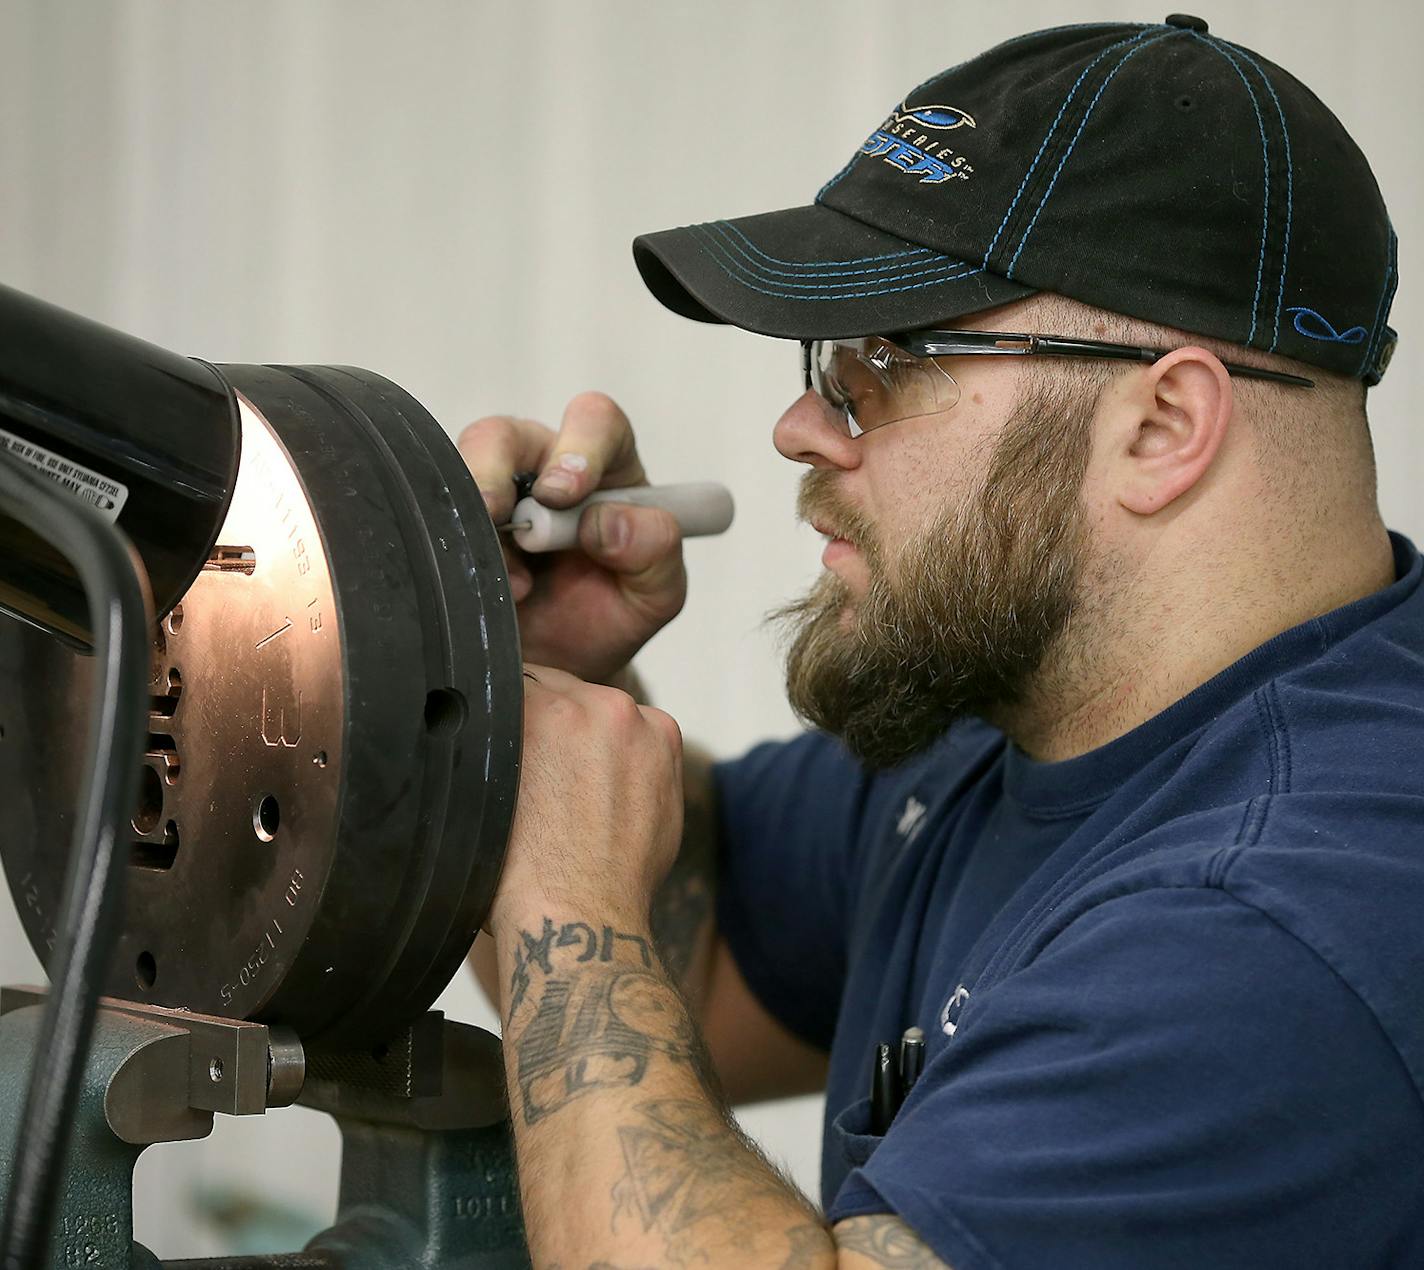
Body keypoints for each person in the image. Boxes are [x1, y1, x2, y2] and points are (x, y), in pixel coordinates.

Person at [463, 15, 1418, 1269]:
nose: (801, 426)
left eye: (886, 359)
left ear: (1161, 426)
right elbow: (690, 982)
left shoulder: (1281, 919)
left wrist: (561, 909)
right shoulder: (1014, 724)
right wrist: (529, 659)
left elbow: (596, 934)